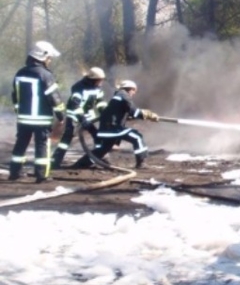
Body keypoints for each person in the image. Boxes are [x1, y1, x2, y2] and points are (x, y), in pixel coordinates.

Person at [9, 40, 66, 183]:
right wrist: (61, 116)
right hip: (41, 119)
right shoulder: (45, 75)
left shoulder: (20, 73)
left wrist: (19, 112)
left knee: (21, 144)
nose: (50, 60)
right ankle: (41, 175)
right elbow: (54, 97)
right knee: (42, 145)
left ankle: (14, 172)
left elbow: (15, 96)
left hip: (23, 118)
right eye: (49, 58)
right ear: (43, 56)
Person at [71, 80, 159, 169]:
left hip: (107, 129)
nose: (133, 93)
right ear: (131, 89)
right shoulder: (123, 95)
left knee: (103, 149)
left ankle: (81, 164)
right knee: (137, 137)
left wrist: (129, 116)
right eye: (134, 91)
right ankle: (141, 163)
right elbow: (133, 111)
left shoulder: (118, 96)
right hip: (113, 128)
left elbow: (121, 112)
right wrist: (149, 114)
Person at [51, 67, 108, 169]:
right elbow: (75, 105)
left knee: (97, 135)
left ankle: (100, 156)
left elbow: (100, 102)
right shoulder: (79, 87)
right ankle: (55, 161)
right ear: (93, 79)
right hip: (74, 114)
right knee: (67, 138)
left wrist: (105, 112)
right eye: (100, 80)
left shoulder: (97, 88)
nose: (101, 82)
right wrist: (82, 119)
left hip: (88, 115)